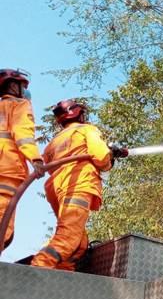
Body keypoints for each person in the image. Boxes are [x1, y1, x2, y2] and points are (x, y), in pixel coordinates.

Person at [31, 99, 126, 270]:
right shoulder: (86, 129)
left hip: (57, 189)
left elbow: (51, 166)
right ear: (77, 113)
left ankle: (60, 277)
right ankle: (38, 268)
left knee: (79, 244)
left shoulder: (54, 142)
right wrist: (110, 157)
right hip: (78, 183)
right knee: (68, 237)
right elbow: (101, 156)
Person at [0, 69, 44, 248]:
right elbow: (23, 134)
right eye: (22, 86)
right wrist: (36, 159)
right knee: (3, 225)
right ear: (12, 85)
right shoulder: (19, 105)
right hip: (7, 169)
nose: (25, 91)